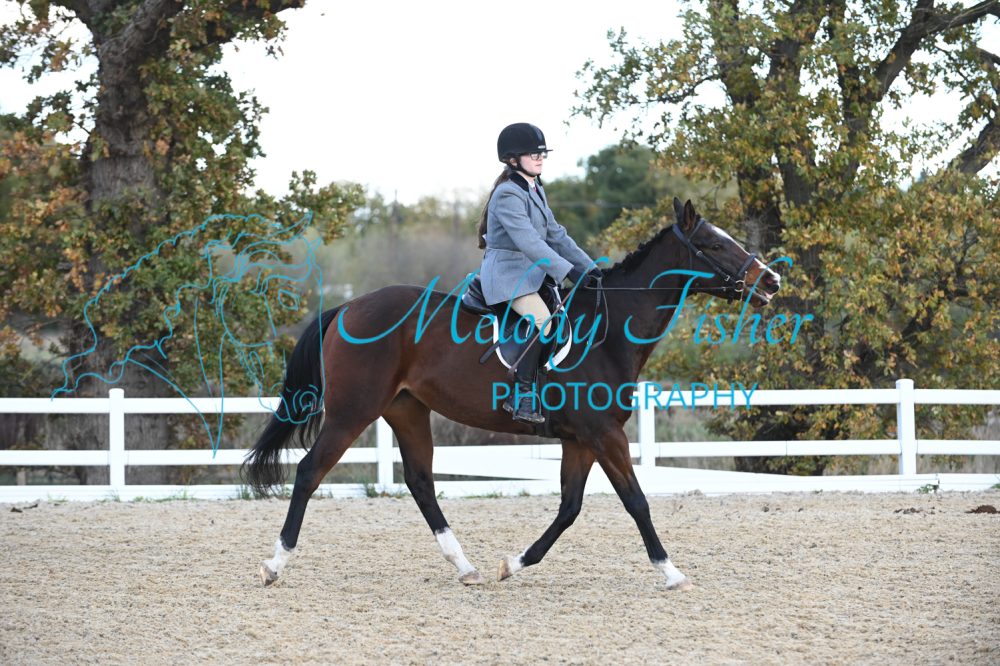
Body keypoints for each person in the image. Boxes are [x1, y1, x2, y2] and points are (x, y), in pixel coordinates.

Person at [477, 122, 602, 424]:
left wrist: (591, 269)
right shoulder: (508, 194)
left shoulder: (535, 189)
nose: (540, 158)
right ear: (512, 159)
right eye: (533, 154)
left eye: (542, 153)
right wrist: (567, 271)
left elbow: (556, 235)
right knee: (544, 322)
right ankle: (521, 396)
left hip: (531, 273)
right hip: (508, 276)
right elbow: (529, 242)